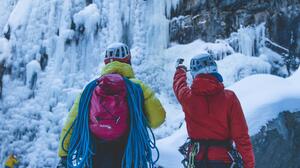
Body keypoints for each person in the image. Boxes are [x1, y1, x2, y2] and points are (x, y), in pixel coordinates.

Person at [57, 42, 166, 168]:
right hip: (128, 155)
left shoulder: (90, 89)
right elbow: (158, 119)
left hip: (96, 155)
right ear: (128, 61)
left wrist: (63, 155)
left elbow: (71, 123)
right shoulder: (138, 87)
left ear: (106, 63)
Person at [173, 54, 255, 168]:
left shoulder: (188, 97)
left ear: (194, 74)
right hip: (223, 160)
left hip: (196, 159)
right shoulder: (229, 98)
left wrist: (180, 70)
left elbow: (179, 86)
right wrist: (249, 165)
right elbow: (241, 136)